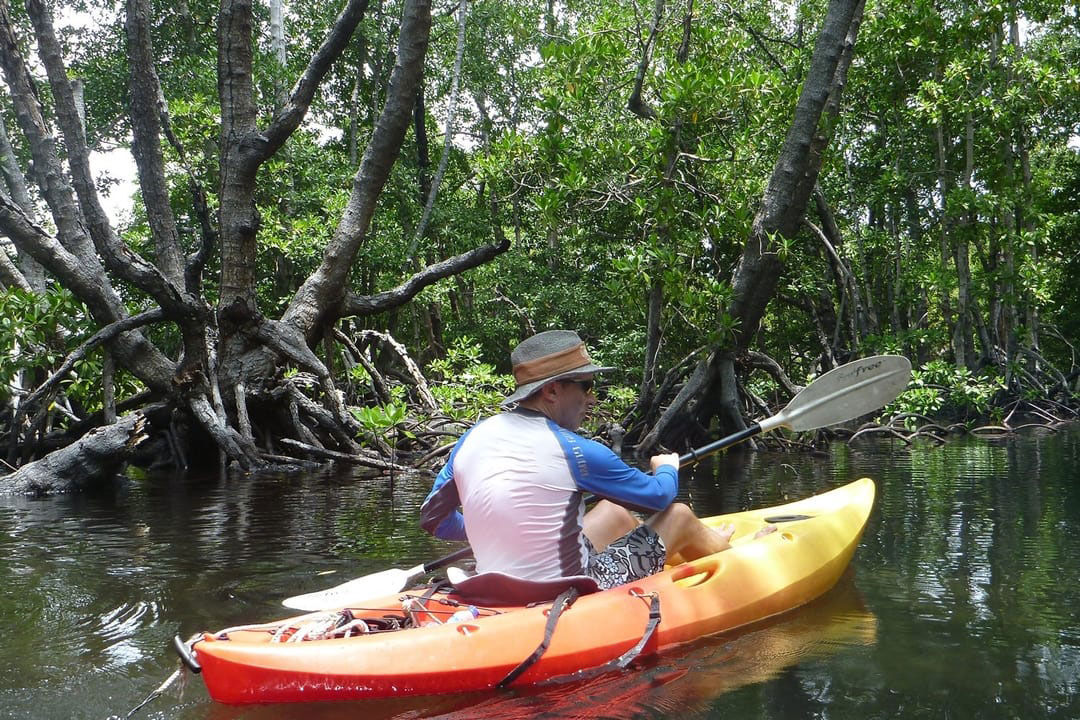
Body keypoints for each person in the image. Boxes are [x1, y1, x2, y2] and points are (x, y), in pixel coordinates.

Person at [420, 329, 769, 590]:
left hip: (497, 584)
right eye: (586, 386)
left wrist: (494, 527)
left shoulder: (470, 440)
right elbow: (659, 496)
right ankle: (727, 551)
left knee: (613, 511)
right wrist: (667, 469)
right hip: (571, 589)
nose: (592, 398)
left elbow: (434, 519)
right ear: (552, 390)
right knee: (677, 515)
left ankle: (688, 547)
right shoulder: (575, 451)